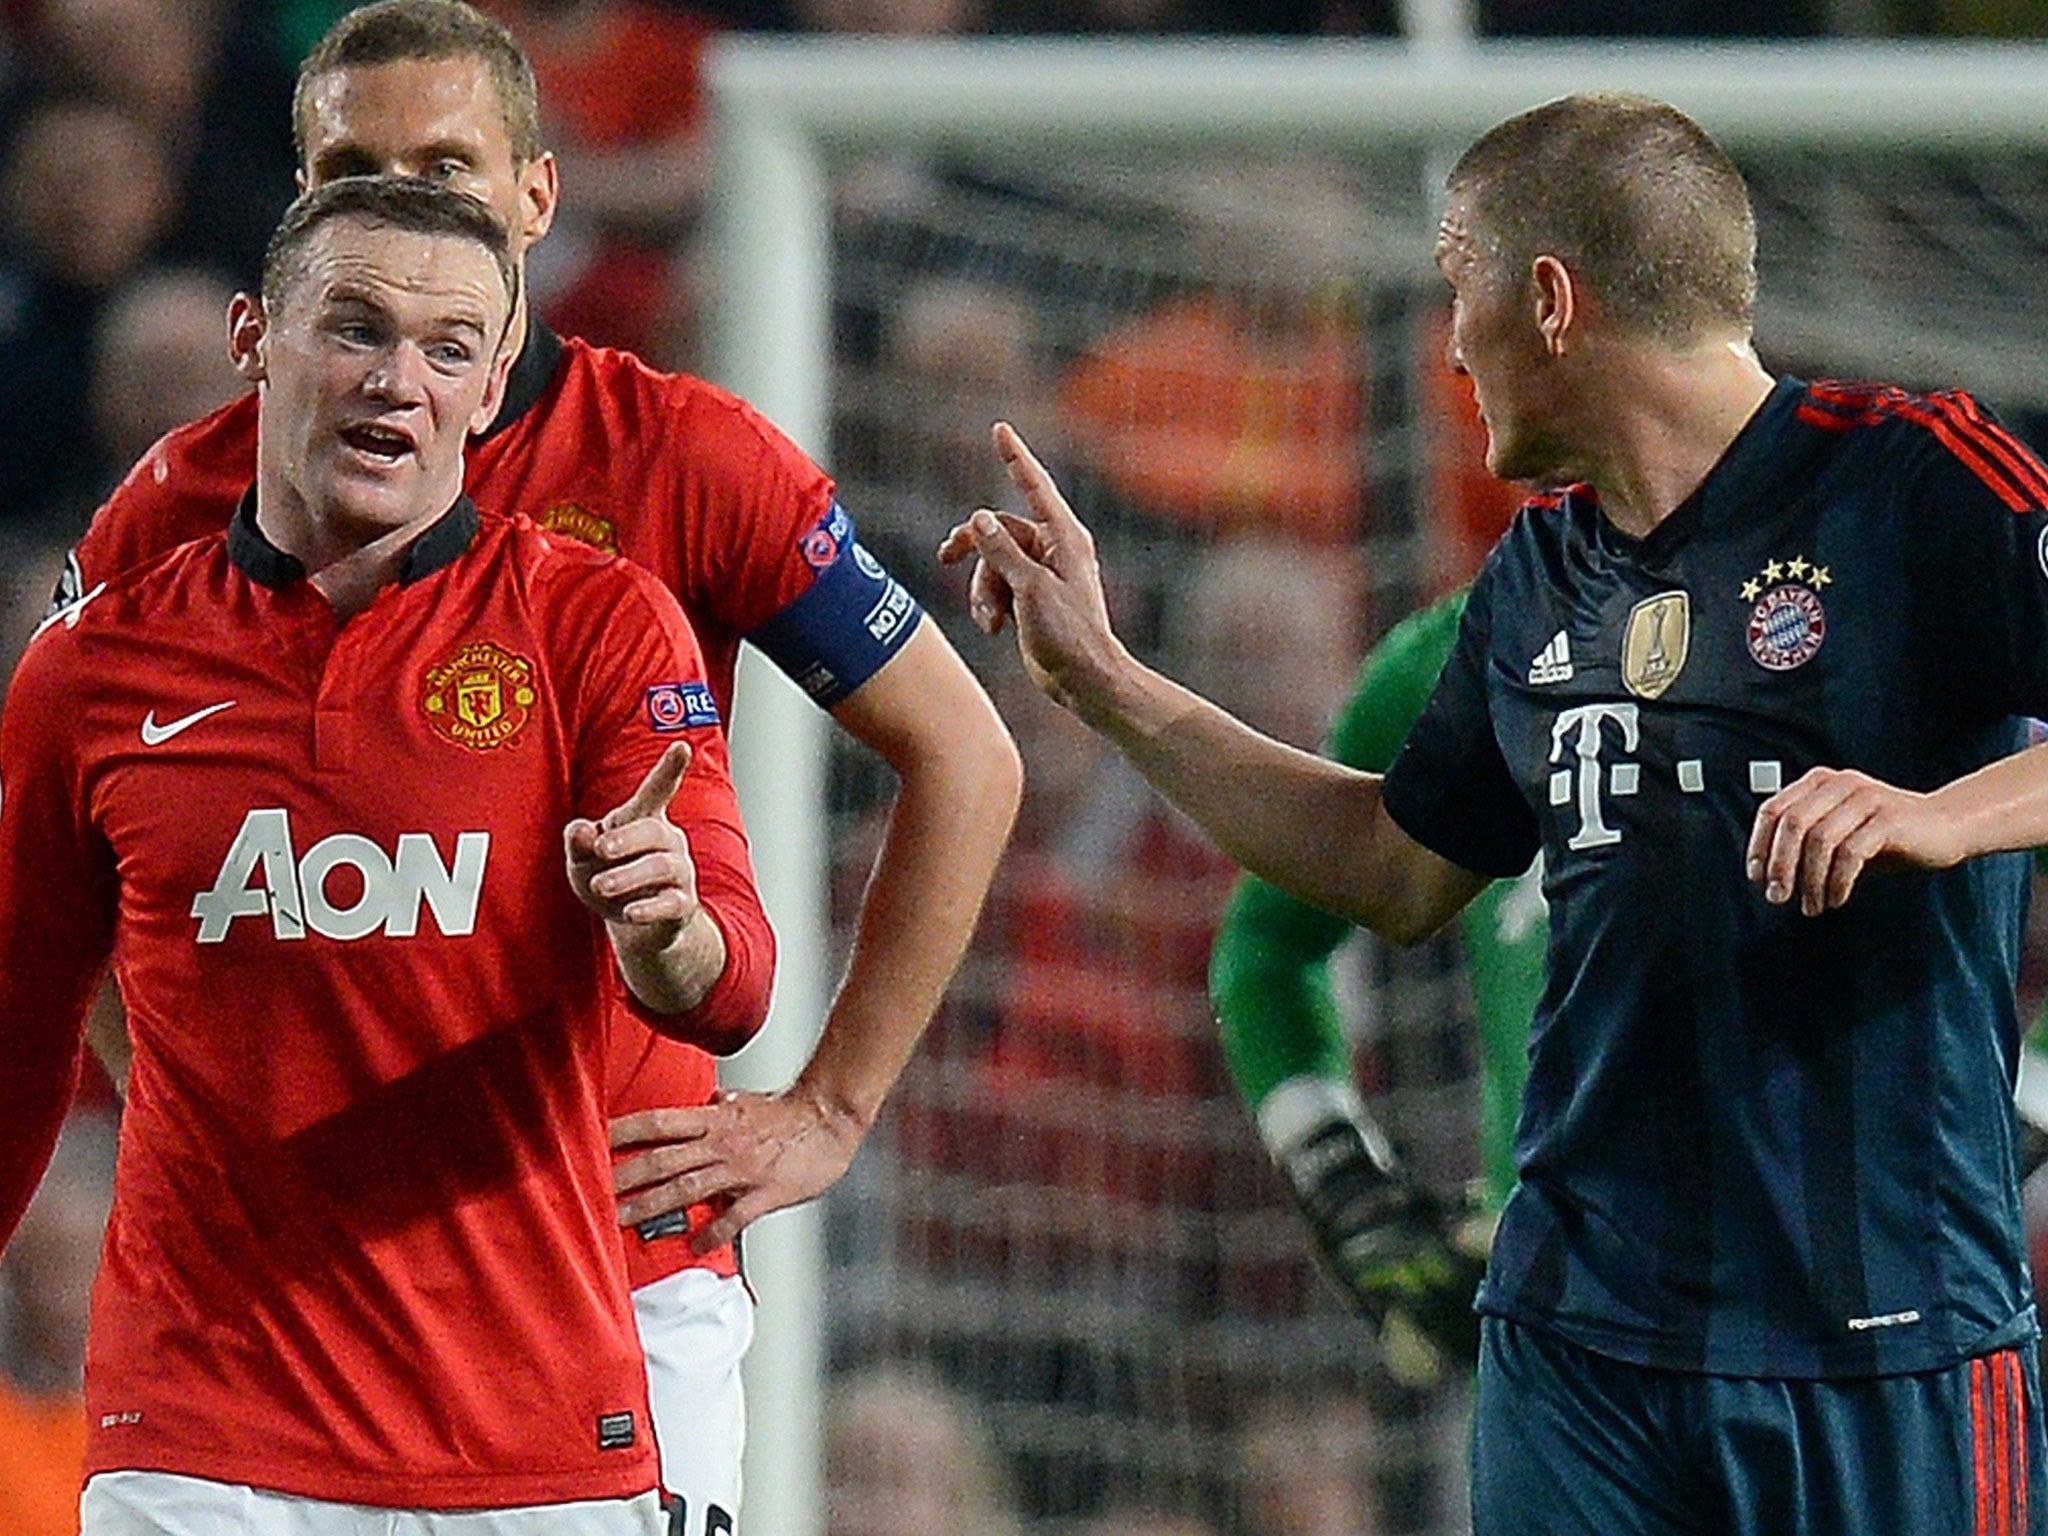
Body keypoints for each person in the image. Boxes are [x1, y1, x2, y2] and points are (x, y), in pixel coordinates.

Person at [946, 91, 2048, 1535]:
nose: (1449, 342)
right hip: (1577, 1343)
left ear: (1550, 298)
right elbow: (1392, 867)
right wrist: (1107, 685)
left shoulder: (1915, 476)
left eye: (1461, 286)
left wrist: (1948, 815)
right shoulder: (1534, 582)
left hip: (1888, 1339)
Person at [62, 2, 1023, 1527]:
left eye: (448, 164)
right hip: (275, 1337)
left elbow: (964, 755)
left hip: (615, 1264)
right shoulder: (174, 503)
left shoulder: (683, 460)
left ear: (537, 197)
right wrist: (203, 1116)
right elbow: (67, 870)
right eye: (354, 168)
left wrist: (829, 1109)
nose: (411, 201)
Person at [0, 174, 774, 1532]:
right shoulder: (92, 669)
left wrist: (663, 928)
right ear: (255, 341)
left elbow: (730, 981)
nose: (396, 381)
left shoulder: (595, 626)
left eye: (449, 348)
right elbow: (12, 1033)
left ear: (488, 390)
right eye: (354, 329)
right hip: (199, 1433)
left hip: (529, 1427)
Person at [1208, 585, 1544, 1384]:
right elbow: (1268, 945)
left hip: (1811, 1324)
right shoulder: (1458, 655)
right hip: (1554, 1360)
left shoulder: (1812, 618)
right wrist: (1340, 1178)